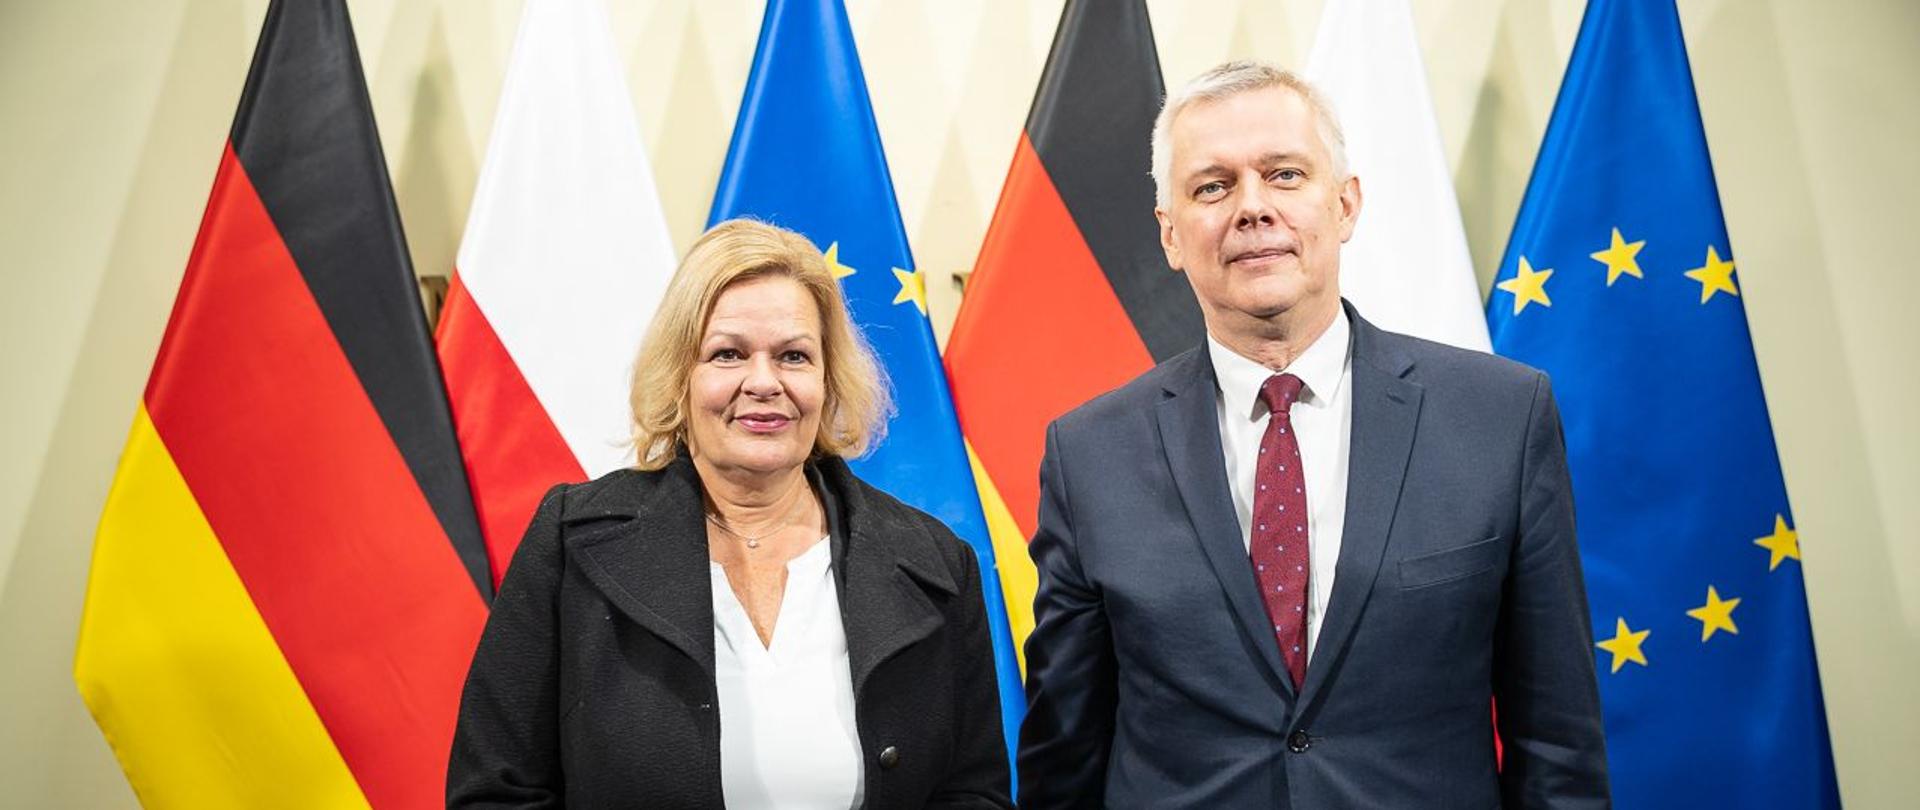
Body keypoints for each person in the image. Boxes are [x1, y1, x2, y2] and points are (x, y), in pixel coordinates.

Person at [1016, 60, 1610, 807]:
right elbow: (1062, 754)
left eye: (1285, 174)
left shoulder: (1500, 416)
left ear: (1346, 205)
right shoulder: (1088, 452)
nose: (1252, 207)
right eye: (1212, 186)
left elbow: (1557, 740)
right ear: (1170, 234)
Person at [448, 219, 1012, 808]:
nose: (764, 382)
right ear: (680, 379)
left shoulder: (937, 562)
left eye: (794, 355)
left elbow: (974, 791)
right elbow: (495, 790)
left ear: (828, 379)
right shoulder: (570, 542)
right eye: (728, 354)